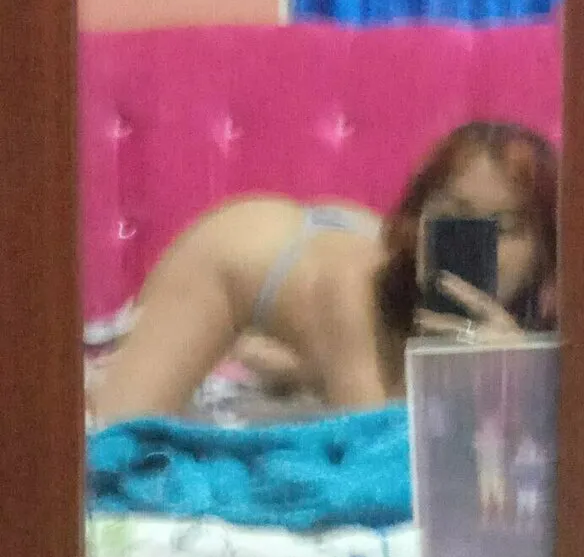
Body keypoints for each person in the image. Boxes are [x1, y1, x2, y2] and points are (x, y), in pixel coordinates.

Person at [89, 121, 558, 426]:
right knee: (111, 443)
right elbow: (375, 451)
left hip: (339, 251)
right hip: (236, 258)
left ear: (544, 248)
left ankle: (296, 363)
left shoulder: (548, 314)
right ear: (417, 222)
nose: (477, 245)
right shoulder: (353, 288)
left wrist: (524, 375)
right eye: (453, 218)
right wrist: (498, 388)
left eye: (505, 228)